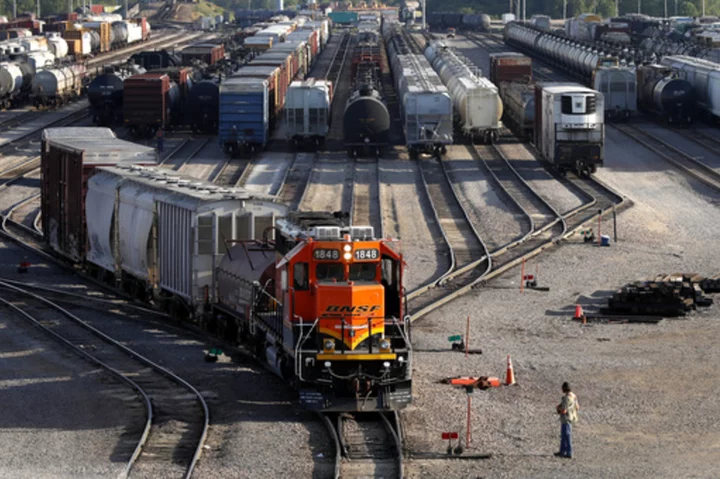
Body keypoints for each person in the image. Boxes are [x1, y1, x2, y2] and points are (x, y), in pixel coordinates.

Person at [555, 382, 579, 459]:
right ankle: (562, 451)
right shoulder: (574, 396)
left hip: (566, 418)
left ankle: (568, 452)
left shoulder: (566, 398)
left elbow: (564, 410)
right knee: (565, 435)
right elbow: (577, 407)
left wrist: (558, 409)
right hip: (571, 417)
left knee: (566, 435)